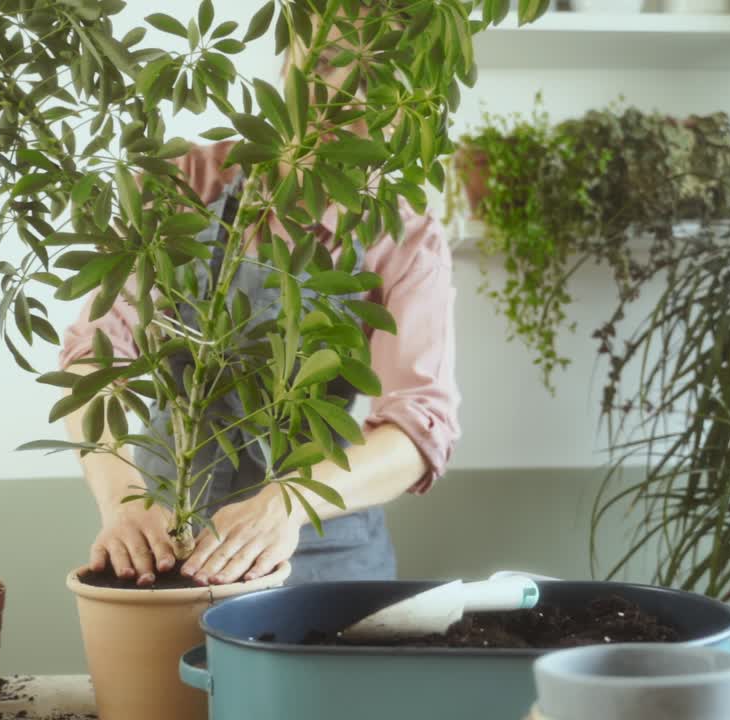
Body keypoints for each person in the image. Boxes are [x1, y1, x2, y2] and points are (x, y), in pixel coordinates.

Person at [57, 13, 460, 588]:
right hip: (163, 540)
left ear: (413, 100)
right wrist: (124, 498)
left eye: (374, 77)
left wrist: (287, 503)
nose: (341, 94)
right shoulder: (184, 184)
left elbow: (421, 425)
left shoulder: (403, 235)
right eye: (323, 62)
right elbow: (94, 363)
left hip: (324, 554)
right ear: (289, 51)